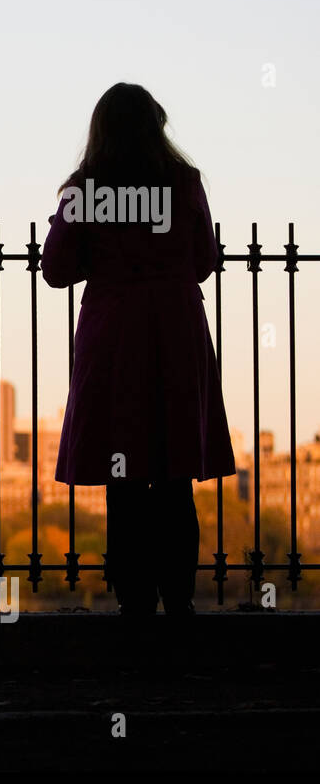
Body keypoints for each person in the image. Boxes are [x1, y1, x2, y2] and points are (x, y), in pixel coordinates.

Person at [41, 82, 235, 616]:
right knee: (174, 473)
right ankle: (178, 597)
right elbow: (203, 260)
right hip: (174, 330)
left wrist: (97, 264)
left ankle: (133, 599)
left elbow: (56, 270)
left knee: (122, 472)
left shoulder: (86, 190)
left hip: (114, 334)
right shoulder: (183, 182)